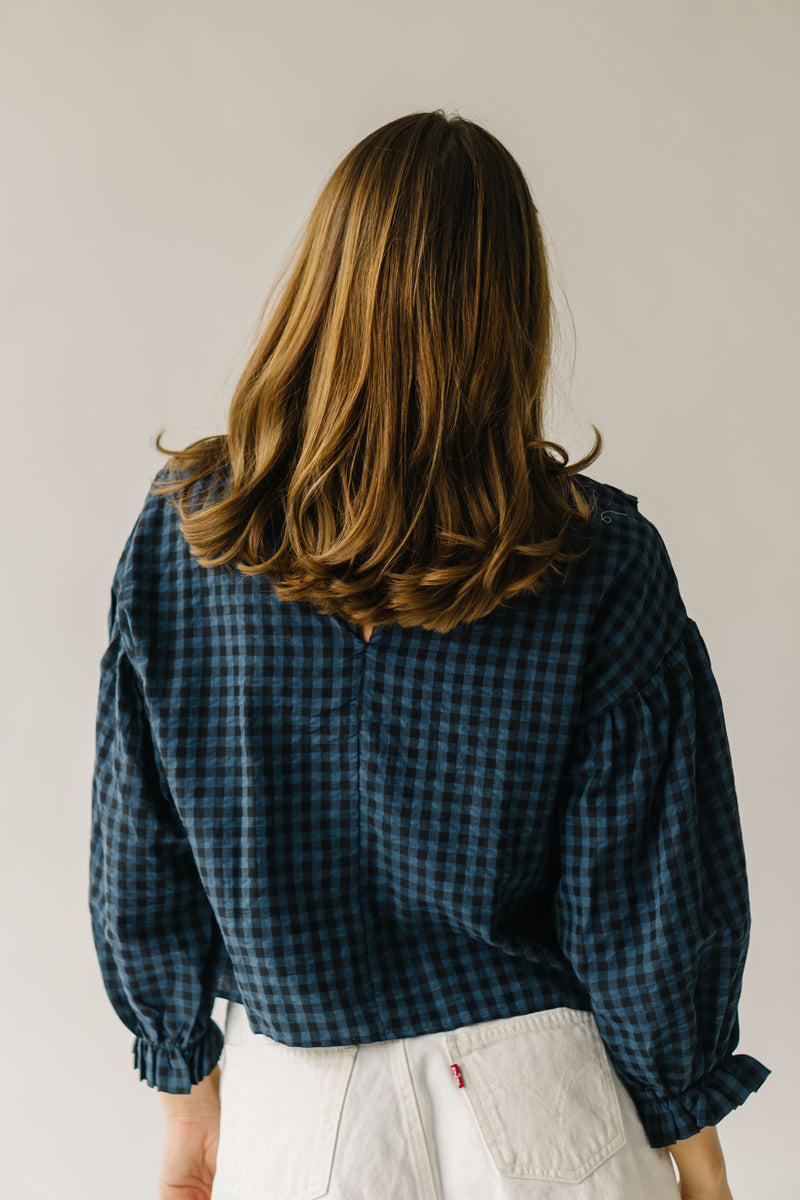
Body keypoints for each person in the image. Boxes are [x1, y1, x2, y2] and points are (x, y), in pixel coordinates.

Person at [88, 110, 771, 1200]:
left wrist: (185, 1102)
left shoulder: (185, 541)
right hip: (547, 1116)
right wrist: (694, 1142)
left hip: (296, 1123)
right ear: (510, 312)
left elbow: (141, 859)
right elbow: (649, 900)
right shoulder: (594, 560)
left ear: (322, 285)